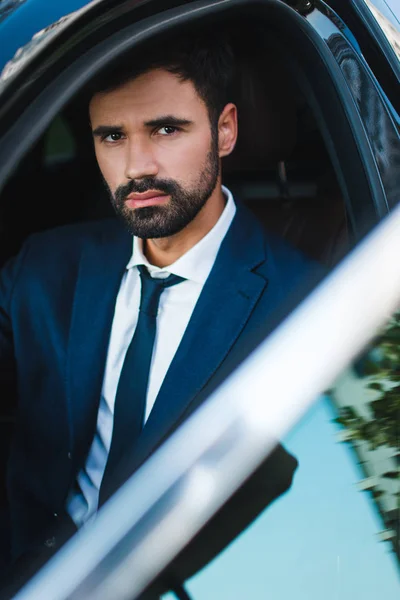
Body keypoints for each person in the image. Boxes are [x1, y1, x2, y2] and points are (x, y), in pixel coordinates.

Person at [0, 32, 321, 596]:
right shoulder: (46, 267)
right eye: (112, 136)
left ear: (225, 131)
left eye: (166, 129)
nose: (136, 166)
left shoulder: (303, 308)